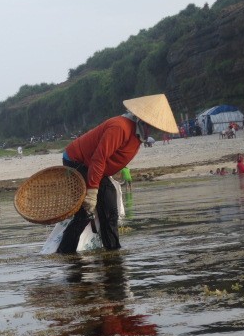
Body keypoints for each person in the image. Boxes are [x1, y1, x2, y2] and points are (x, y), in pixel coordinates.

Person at [56, 94, 178, 254]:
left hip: (93, 164)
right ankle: (65, 253)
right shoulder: (120, 127)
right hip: (77, 161)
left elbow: (111, 158)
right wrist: (92, 191)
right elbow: (99, 158)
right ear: (143, 120)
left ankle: (112, 251)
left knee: (110, 208)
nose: (154, 129)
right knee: (86, 210)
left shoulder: (137, 133)